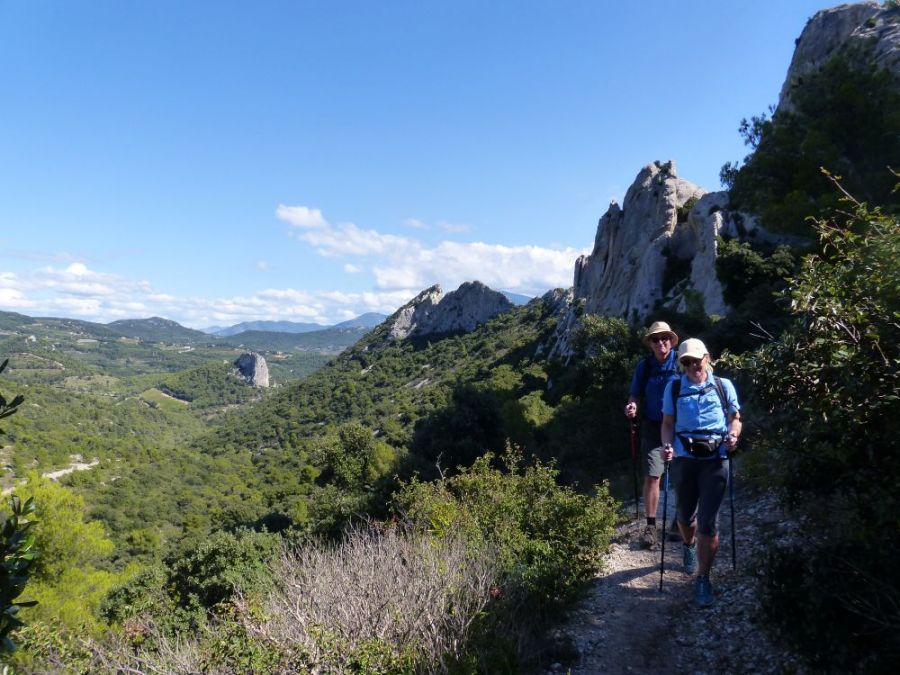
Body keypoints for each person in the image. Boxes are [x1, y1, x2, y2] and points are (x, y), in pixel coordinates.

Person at [660, 338, 742, 607]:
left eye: (698, 359)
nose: (694, 365)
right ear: (681, 364)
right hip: (685, 458)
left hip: (716, 459)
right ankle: (687, 545)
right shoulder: (673, 388)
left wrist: (733, 436)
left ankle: (703, 578)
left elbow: (735, 419)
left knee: (708, 522)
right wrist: (667, 445)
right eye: (687, 362)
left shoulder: (723, 386)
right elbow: (668, 423)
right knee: (685, 516)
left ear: (708, 357)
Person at [624, 321, 680, 549]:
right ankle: (651, 527)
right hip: (652, 426)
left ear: (671, 340)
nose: (660, 342)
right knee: (652, 476)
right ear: (650, 344)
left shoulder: (681, 362)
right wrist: (632, 407)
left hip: (681, 427)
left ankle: (681, 522)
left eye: (664, 337)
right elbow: (634, 395)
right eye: (655, 339)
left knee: (682, 476)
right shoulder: (644, 367)